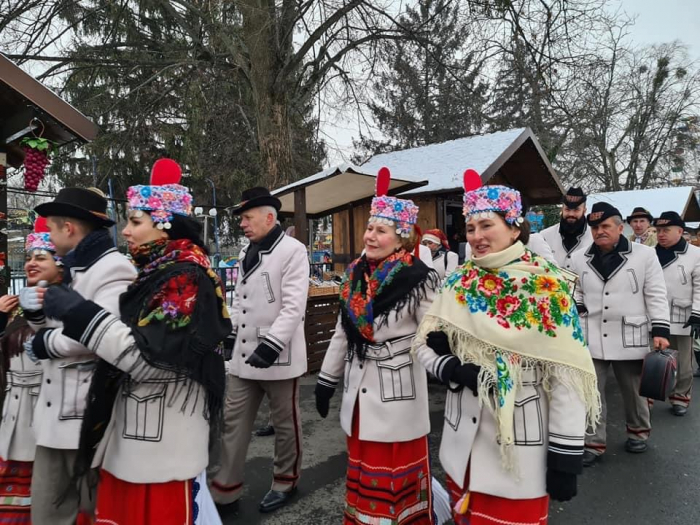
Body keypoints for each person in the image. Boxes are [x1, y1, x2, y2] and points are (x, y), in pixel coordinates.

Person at [37, 159, 231, 523]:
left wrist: (81, 315)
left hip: (159, 442)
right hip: (138, 439)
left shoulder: (185, 278)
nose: (124, 231)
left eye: (135, 221)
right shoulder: (158, 272)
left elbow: (151, 361)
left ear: (164, 223)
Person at [414, 180, 599, 525]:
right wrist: (449, 367)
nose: (475, 236)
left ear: (514, 228)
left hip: (520, 449)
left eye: (487, 225)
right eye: (470, 227)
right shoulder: (458, 283)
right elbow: (423, 345)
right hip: (463, 446)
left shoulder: (548, 287)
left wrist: (565, 454)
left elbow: (567, 375)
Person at [315, 173, 440, 524]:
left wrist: (446, 365)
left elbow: (431, 333)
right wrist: (327, 380)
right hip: (359, 393)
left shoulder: (418, 277)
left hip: (398, 394)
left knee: (396, 479)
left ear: (400, 237)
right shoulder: (355, 274)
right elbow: (343, 332)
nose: (370, 236)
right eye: (370, 228)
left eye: (381, 230)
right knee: (363, 475)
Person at [19, 187, 136, 525]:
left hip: (85, 414)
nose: (50, 240)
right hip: (58, 413)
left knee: (79, 510)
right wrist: (37, 315)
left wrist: (46, 344)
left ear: (68, 228)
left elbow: (100, 334)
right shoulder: (74, 268)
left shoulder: (113, 269)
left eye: (52, 230)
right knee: (51, 510)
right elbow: (61, 324)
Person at [211, 187, 309, 514]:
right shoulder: (245, 253)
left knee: (285, 424)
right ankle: (225, 488)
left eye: (247, 217)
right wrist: (231, 330)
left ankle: (286, 480)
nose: (242, 224)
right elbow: (240, 299)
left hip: (278, 354)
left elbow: (294, 307)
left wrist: (271, 345)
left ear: (269, 217)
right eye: (241, 218)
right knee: (233, 421)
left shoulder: (293, 251)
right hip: (244, 355)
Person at [571, 202, 670, 465]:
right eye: (594, 227)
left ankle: (638, 432)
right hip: (591, 333)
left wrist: (660, 329)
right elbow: (575, 289)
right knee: (591, 392)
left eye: (605, 226)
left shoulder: (644, 255)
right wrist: (579, 305)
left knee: (634, 390)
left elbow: (656, 293)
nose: (599, 231)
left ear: (619, 227)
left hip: (632, 333)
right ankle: (592, 443)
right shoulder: (579, 257)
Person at [0, 219, 61, 524]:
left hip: (44, 422)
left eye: (41, 257)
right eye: (29, 257)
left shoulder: (68, 306)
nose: (31, 264)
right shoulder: (22, 306)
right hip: (12, 421)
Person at [653, 211, 700, 416]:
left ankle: (680, 397)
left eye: (666, 230)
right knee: (652, 360)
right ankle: (649, 396)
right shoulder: (649, 254)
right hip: (654, 315)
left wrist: (697, 314)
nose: (661, 234)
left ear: (680, 231)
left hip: (683, 316)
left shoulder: (695, 254)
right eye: (658, 230)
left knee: (683, 364)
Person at [540, 187, 592, 271]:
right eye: (567, 209)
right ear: (562, 209)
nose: (571, 214)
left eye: (576, 210)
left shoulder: (594, 237)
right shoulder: (545, 236)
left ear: (584, 210)